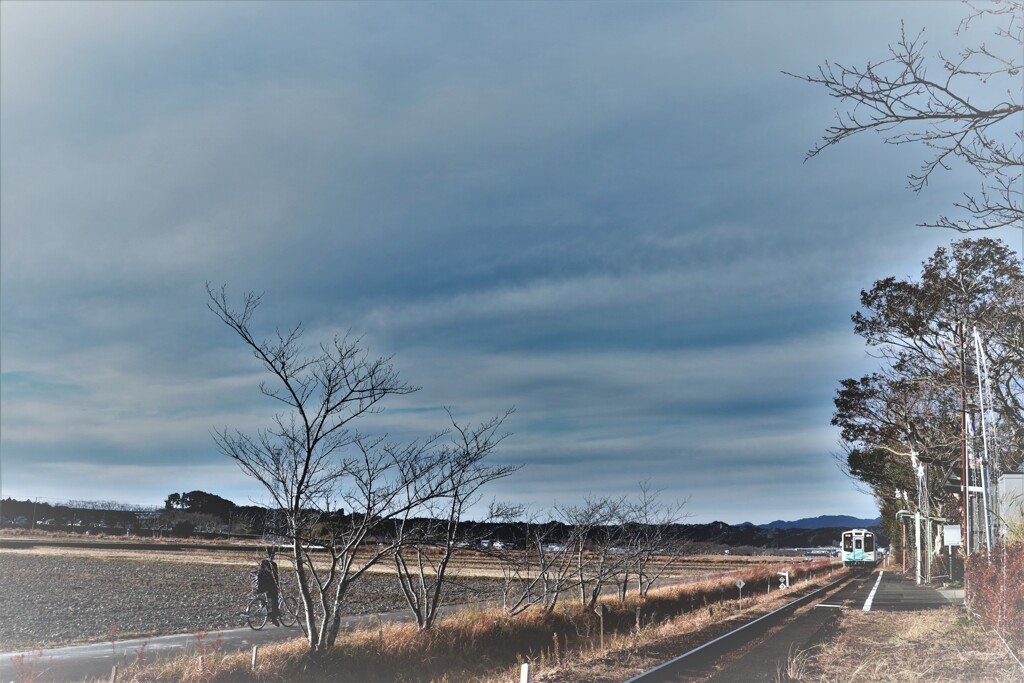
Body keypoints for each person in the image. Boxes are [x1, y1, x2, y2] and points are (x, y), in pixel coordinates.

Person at [256, 554, 281, 625]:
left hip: (262, 586)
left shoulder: (263, 563)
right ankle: (273, 618)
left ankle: (263, 604)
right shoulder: (273, 564)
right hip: (270, 586)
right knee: (275, 601)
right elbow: (275, 577)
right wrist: (278, 585)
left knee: (269, 598)